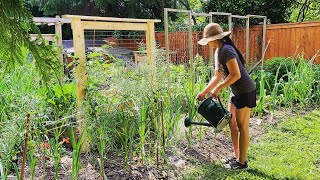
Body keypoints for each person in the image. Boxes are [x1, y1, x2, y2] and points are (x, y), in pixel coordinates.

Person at [196, 23, 256, 170]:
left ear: (214, 39)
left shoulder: (227, 50)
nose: (207, 44)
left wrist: (218, 89)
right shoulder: (218, 51)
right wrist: (204, 92)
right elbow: (217, 76)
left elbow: (236, 74)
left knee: (242, 127)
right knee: (233, 124)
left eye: (207, 41)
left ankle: (242, 163)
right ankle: (237, 157)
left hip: (245, 91)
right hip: (235, 91)